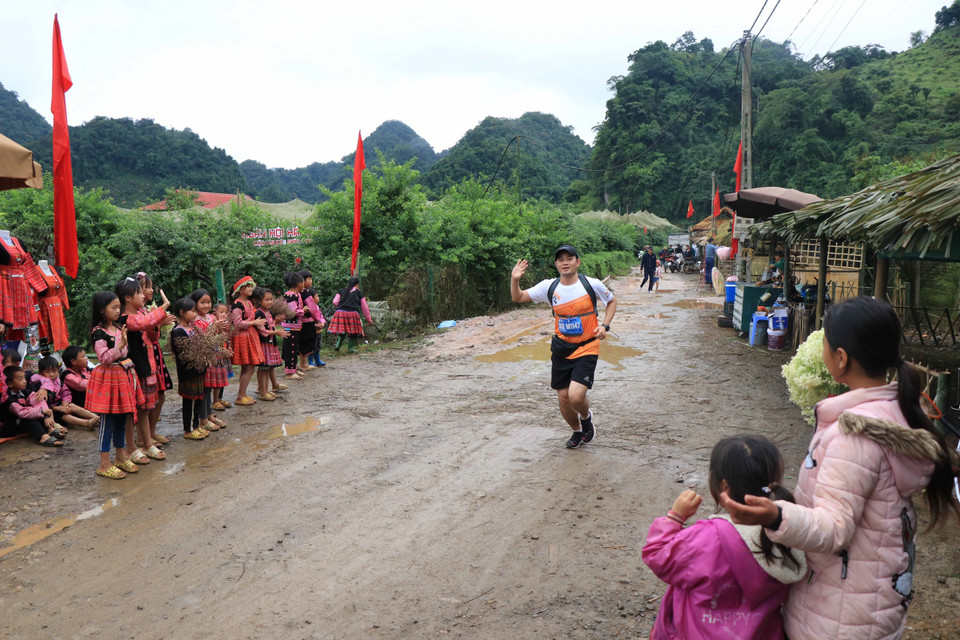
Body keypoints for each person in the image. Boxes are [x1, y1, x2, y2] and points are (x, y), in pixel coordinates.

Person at [720, 296, 960, 640]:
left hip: (838, 616)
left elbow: (834, 530)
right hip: (870, 601)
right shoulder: (897, 410)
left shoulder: (855, 437)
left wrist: (775, 516)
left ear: (841, 358)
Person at [642, 435, 806, 639]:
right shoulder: (788, 532)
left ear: (724, 485)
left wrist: (675, 517)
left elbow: (659, 556)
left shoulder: (708, 537)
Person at [510, 245, 616, 449]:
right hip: (561, 348)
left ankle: (586, 417)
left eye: (570, 258)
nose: (565, 262)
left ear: (578, 262)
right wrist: (515, 279)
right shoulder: (549, 287)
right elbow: (518, 297)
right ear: (556, 264)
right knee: (564, 399)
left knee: (576, 395)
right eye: (561, 259)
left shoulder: (590, 284)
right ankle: (577, 431)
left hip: (587, 346)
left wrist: (605, 325)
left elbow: (611, 301)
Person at [86, 290, 143, 478]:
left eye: (119, 307)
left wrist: (121, 347)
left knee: (122, 419)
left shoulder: (119, 329)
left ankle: (120, 456)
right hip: (109, 381)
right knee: (107, 422)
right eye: (114, 307)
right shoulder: (98, 333)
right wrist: (119, 347)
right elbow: (103, 358)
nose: (118, 311)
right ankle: (104, 463)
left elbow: (124, 353)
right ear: (102, 310)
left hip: (122, 378)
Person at [116, 276, 171, 464]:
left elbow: (153, 337)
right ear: (128, 298)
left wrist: (156, 321)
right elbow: (144, 324)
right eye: (139, 292)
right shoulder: (126, 319)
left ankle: (147, 443)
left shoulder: (142, 313)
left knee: (146, 407)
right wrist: (163, 308)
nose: (142, 295)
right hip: (133, 368)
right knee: (134, 410)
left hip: (147, 366)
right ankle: (132, 447)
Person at [137, 273, 174, 447]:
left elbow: (154, 336)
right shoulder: (134, 313)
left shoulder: (146, 310)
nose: (151, 290)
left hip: (155, 355)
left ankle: (151, 432)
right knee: (146, 399)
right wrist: (158, 321)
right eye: (148, 287)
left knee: (160, 394)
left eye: (152, 286)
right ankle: (142, 437)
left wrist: (159, 323)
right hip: (144, 358)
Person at [169, 297, 209, 440]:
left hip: (199, 368)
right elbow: (184, 353)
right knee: (188, 400)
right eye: (192, 311)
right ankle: (187, 430)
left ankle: (196, 426)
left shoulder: (193, 328)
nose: (195, 314)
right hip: (188, 371)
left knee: (198, 397)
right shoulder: (178, 331)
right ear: (182, 312)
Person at [190, 289, 227, 430]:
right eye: (202, 302)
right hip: (203, 357)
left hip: (213, 355)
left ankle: (210, 414)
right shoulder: (195, 320)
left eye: (208, 302)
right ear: (195, 303)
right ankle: (203, 419)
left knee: (209, 387)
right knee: (204, 388)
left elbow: (216, 336)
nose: (206, 305)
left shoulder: (211, 318)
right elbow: (202, 338)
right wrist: (215, 327)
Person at [1, 365, 63, 447]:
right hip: (10, 425)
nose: (25, 381)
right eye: (20, 379)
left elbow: (36, 400)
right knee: (29, 417)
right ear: (10, 384)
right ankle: (43, 437)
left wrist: (45, 415)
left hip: (20, 420)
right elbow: (22, 412)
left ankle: (49, 428)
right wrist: (42, 411)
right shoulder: (9, 399)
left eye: (24, 378)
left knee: (41, 402)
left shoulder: (24, 391)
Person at [230, 276, 266, 405]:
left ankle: (242, 394)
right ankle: (240, 396)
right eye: (248, 286)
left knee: (247, 367)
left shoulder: (248, 302)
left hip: (249, 335)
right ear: (240, 290)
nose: (251, 288)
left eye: (251, 286)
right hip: (242, 336)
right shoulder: (237, 304)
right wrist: (254, 322)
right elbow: (237, 323)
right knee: (249, 367)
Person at [37, 356, 99, 430]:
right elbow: (43, 405)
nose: (52, 374)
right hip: (49, 411)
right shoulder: (40, 385)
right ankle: (86, 423)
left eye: (54, 371)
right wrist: (58, 408)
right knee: (63, 415)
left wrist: (65, 402)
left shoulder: (58, 382)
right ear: (40, 372)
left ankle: (96, 418)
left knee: (71, 405)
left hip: (60, 406)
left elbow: (66, 392)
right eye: (48, 372)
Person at [252, 286, 289, 400]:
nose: (269, 302)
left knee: (267, 368)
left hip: (269, 343)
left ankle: (265, 390)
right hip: (264, 344)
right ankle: (263, 392)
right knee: (264, 368)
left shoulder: (268, 312)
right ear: (259, 301)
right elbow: (262, 331)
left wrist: (276, 323)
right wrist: (276, 332)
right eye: (266, 300)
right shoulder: (259, 313)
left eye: (271, 299)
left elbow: (270, 324)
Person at [329, 277, 374, 353]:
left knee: (342, 330)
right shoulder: (359, 292)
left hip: (340, 312)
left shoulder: (342, 291)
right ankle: (350, 349)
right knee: (354, 332)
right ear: (357, 284)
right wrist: (369, 320)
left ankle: (338, 345)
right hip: (352, 313)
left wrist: (341, 306)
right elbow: (365, 308)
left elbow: (335, 302)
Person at [298, 270, 326, 369]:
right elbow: (313, 308)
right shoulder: (305, 293)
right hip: (306, 322)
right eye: (309, 279)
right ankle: (304, 364)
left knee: (304, 344)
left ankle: (304, 364)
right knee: (306, 343)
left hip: (299, 321)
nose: (311, 281)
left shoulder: (297, 293)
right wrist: (318, 319)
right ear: (302, 281)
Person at [209, 303, 233, 411]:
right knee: (217, 379)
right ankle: (214, 401)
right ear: (214, 314)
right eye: (221, 312)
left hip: (223, 354)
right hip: (216, 355)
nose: (224, 314)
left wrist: (229, 348)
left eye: (226, 312)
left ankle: (219, 398)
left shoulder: (226, 325)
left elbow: (227, 339)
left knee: (223, 378)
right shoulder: (213, 324)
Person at [282, 272, 306, 379]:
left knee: (294, 348)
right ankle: (290, 372)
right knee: (290, 348)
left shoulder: (296, 295)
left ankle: (294, 368)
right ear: (299, 284)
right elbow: (293, 311)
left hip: (296, 326)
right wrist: (303, 310)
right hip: (290, 326)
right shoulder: (291, 296)